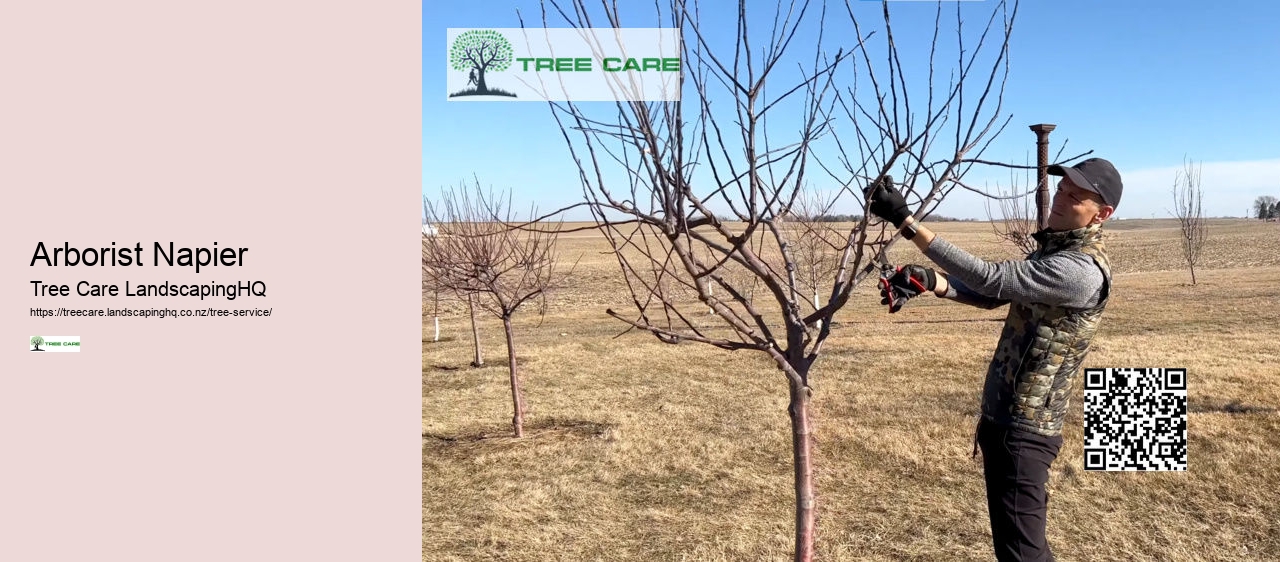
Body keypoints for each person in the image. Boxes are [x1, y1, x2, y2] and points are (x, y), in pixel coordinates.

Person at [864, 158, 1123, 562]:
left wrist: (906, 222)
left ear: (1101, 215)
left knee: (1023, 554)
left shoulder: (1080, 270)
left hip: (1024, 429)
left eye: (1075, 196)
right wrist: (932, 282)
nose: (1060, 198)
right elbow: (991, 296)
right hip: (1008, 423)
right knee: (1020, 547)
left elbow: (993, 278)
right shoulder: (1053, 253)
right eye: (1061, 188)